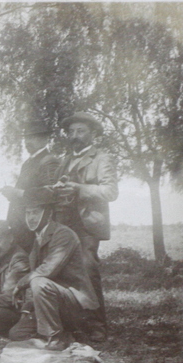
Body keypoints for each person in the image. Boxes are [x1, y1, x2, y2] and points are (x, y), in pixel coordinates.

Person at [52, 112, 119, 342]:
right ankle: (73, 324)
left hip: (88, 226)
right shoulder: (64, 160)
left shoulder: (102, 158)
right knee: (63, 272)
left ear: (92, 134)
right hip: (63, 224)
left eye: (80, 131)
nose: (74, 136)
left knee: (88, 273)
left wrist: (79, 188)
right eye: (71, 132)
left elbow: (110, 192)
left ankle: (97, 326)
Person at [7, 188, 100, 350]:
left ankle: (55, 336)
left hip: (75, 305)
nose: (31, 218)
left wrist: (21, 283)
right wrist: (27, 311)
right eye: (28, 213)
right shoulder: (39, 238)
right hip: (55, 302)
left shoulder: (63, 234)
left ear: (49, 213)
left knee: (38, 282)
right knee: (16, 334)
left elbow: (47, 270)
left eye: (35, 212)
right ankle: (63, 334)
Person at [0, 119, 61, 250]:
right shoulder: (28, 163)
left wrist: (18, 193)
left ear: (45, 139)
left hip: (37, 224)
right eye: (26, 138)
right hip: (23, 224)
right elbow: (24, 193)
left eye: (32, 137)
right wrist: (11, 193)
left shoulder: (49, 161)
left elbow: (51, 193)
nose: (27, 142)